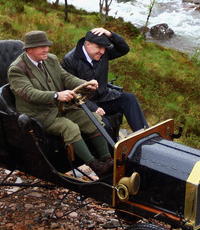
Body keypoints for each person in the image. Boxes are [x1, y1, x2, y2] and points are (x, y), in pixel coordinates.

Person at [8, 30, 113, 175]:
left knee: (92, 119)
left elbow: (65, 77)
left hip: (61, 108)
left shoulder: (50, 59)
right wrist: (56, 95)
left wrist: (85, 83)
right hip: (39, 115)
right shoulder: (17, 69)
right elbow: (29, 94)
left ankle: (107, 160)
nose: (46, 49)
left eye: (47, 45)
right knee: (69, 128)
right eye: (41, 47)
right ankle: (95, 166)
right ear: (29, 49)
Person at [62, 27, 148, 134]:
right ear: (87, 44)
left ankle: (145, 137)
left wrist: (111, 35)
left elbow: (124, 49)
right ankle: (113, 150)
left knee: (129, 99)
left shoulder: (102, 53)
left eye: (104, 48)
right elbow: (72, 91)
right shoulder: (70, 60)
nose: (102, 51)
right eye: (99, 47)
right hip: (83, 105)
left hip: (103, 97)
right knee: (104, 125)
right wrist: (93, 107)